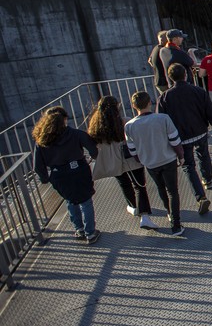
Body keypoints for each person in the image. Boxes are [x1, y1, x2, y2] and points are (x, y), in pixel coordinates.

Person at [87, 96, 158, 230]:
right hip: (130, 158)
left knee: (124, 184)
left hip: (113, 161)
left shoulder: (96, 127)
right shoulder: (125, 122)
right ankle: (144, 216)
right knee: (139, 185)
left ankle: (133, 207)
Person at [32, 106, 100, 244]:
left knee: (70, 201)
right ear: (64, 119)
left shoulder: (42, 141)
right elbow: (93, 149)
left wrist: (46, 178)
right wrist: (93, 157)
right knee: (85, 201)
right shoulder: (76, 134)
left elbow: (37, 166)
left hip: (59, 175)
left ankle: (79, 229)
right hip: (79, 170)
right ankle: (90, 233)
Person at [159, 63, 212, 209]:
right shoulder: (198, 91)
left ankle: (200, 197)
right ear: (186, 75)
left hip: (181, 137)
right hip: (200, 131)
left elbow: (162, 120)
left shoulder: (165, 97)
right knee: (203, 154)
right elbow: (210, 111)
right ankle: (208, 179)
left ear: (170, 78)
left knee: (188, 166)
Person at [125, 91, 186, 236]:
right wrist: (181, 156)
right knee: (173, 191)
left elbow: (132, 149)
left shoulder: (129, 126)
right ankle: (176, 225)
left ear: (134, 106)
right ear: (149, 103)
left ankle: (169, 213)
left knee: (161, 188)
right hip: (168, 159)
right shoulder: (163, 118)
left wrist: (141, 159)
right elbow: (174, 140)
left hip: (150, 163)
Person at [148, 30, 170, 95]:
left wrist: (157, 67)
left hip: (158, 80)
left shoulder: (156, 48)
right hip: (164, 82)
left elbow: (149, 60)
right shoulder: (164, 50)